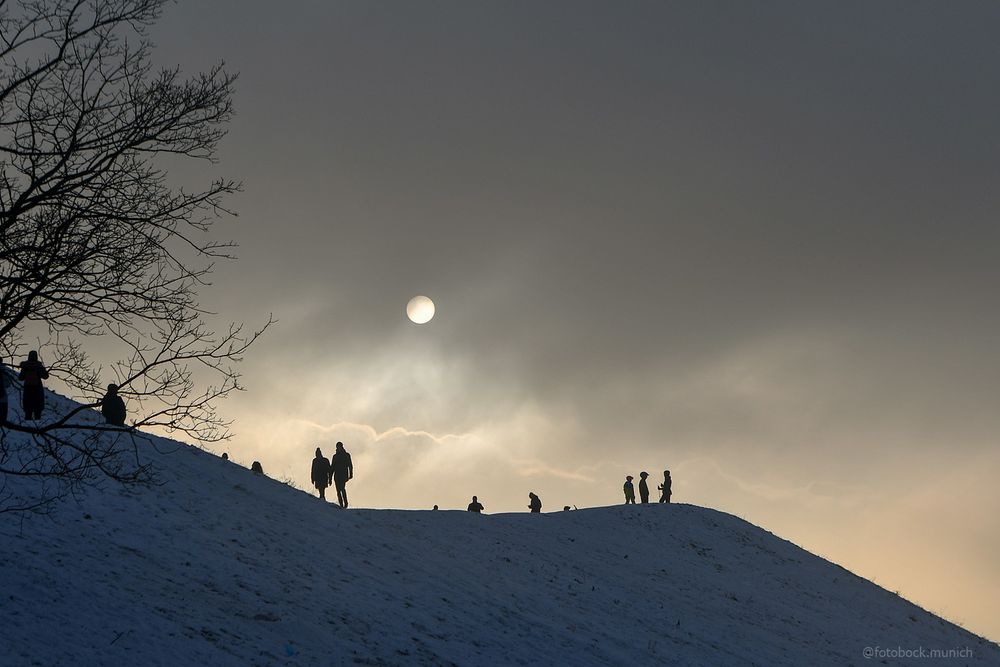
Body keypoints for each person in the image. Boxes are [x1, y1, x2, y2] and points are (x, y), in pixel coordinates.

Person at [18, 351, 49, 421]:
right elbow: (46, 376)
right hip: (37, 390)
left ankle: (27, 428)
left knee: (28, 412)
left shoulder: (25, 366)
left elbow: (20, 378)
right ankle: (38, 428)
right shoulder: (38, 366)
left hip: (27, 390)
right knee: (38, 412)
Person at [329, 441, 353, 508]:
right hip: (336, 475)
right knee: (338, 490)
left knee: (342, 488)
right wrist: (330, 479)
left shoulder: (346, 455)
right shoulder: (335, 456)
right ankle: (341, 504)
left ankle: (345, 503)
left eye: (339, 446)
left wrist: (350, 474)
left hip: (343, 474)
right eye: (337, 446)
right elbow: (332, 467)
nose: (338, 448)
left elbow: (350, 465)